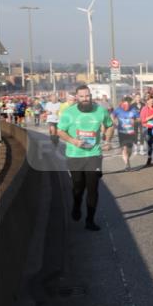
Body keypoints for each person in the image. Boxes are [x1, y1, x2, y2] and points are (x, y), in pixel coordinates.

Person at [56, 85, 114, 231]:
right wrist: (74, 141)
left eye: (87, 96)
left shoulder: (100, 110)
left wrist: (107, 141)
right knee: (78, 187)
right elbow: (60, 131)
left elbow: (110, 125)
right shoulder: (69, 113)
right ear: (77, 97)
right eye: (81, 96)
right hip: (74, 155)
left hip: (94, 154)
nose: (85, 99)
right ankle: (76, 205)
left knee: (93, 188)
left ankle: (90, 220)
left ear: (91, 96)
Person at [112, 96, 140, 171]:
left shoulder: (133, 110)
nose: (126, 106)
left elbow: (139, 119)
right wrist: (114, 122)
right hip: (122, 132)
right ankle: (127, 164)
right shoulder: (118, 110)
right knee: (124, 148)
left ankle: (128, 160)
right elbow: (112, 115)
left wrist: (135, 121)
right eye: (124, 105)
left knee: (129, 149)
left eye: (127, 105)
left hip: (131, 132)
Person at [141, 96, 153, 167]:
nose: (152, 102)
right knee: (149, 144)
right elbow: (142, 120)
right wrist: (152, 116)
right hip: (147, 128)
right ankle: (149, 157)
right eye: (150, 101)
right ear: (147, 101)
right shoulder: (144, 109)